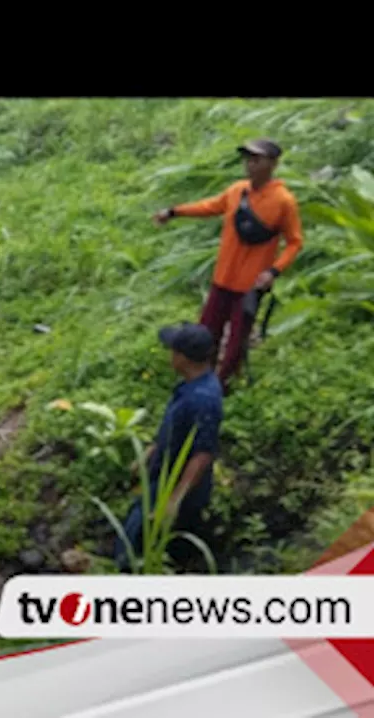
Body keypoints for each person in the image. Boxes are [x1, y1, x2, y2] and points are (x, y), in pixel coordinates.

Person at [152, 138, 305, 395]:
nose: (250, 164)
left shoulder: (283, 201)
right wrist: (174, 212)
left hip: (249, 285)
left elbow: (295, 242)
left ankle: (221, 386)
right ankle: (197, 379)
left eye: (257, 159)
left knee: (236, 340)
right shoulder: (237, 191)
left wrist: (273, 271)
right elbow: (210, 206)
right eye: (248, 159)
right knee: (206, 333)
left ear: (273, 163)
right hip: (222, 278)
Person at [114, 322, 224, 572]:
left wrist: (174, 500)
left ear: (183, 357)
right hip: (160, 478)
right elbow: (177, 432)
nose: (169, 356)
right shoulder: (191, 387)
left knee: (135, 549)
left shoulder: (202, 399)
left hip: (173, 489)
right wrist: (149, 453)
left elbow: (202, 453)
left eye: (172, 351)